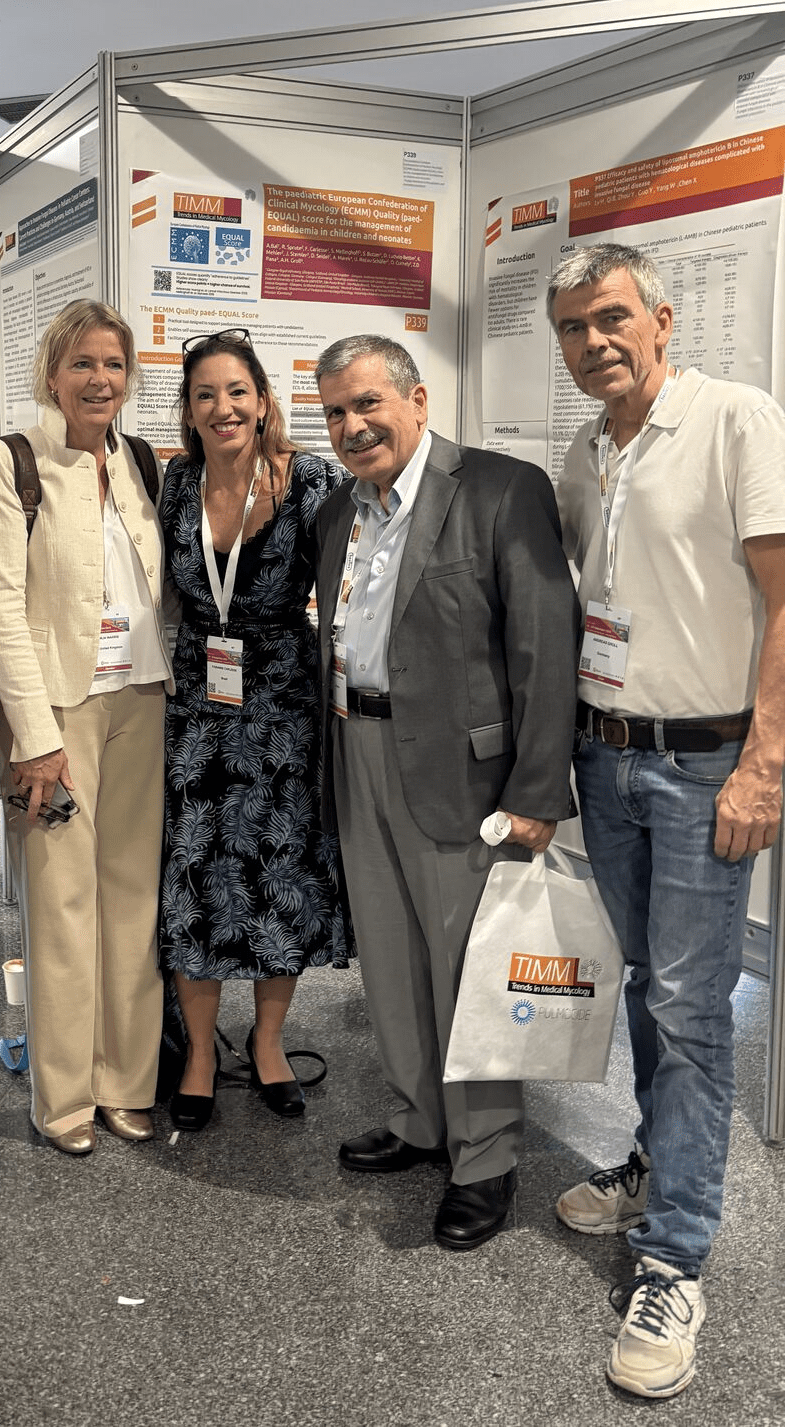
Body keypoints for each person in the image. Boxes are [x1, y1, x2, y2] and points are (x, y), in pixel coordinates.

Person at [548, 242, 785, 1399]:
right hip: (607, 757)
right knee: (648, 982)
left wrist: (763, 764)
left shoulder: (736, 420)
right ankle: (654, 1162)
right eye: (572, 327)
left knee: (690, 1008)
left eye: (610, 317)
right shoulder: (582, 453)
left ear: (659, 318)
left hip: (702, 767)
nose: (593, 341)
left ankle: (674, 1259)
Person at [314, 334, 579, 1250]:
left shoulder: (501, 490)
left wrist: (539, 788)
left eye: (368, 404)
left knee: (471, 966)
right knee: (390, 957)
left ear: (418, 400)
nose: (353, 426)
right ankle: (419, 1118)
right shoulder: (338, 513)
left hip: (465, 774)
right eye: (336, 412)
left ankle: (485, 1156)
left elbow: (544, 648)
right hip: (356, 747)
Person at [0, 300, 171, 1155]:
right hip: (59, 711)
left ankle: (126, 1082)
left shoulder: (140, 461)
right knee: (61, 903)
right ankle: (63, 1099)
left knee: (132, 899)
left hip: (143, 699)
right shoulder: (13, 461)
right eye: (82, 363)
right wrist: (34, 734)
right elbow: (0, 607)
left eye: (113, 364)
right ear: (52, 373)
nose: (99, 379)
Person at [158, 329, 347, 1131]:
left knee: (279, 877)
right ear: (189, 408)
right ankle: (200, 1054)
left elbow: (353, 582)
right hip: (197, 709)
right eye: (205, 394)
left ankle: (269, 1043)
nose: (223, 407)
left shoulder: (311, 479)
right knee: (194, 879)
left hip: (282, 709)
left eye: (237, 391)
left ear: (263, 400)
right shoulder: (177, 480)